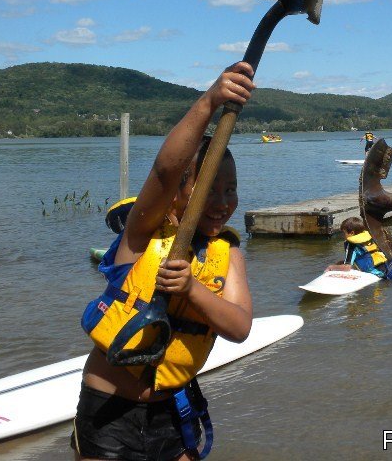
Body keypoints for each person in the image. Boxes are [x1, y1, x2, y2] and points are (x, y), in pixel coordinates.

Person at [72, 62, 255, 461]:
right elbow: (165, 169)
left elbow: (239, 327)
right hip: (109, 412)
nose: (223, 202)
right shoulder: (142, 235)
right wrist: (209, 101)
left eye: (231, 189)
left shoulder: (229, 254)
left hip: (173, 412)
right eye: (209, 191)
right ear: (177, 195)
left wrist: (192, 289)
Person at [325, 216, 392, 279]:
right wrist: (341, 263)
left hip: (387, 275)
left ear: (352, 233)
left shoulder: (351, 244)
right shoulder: (370, 236)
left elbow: (347, 267)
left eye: (344, 233)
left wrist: (331, 267)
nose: (343, 236)